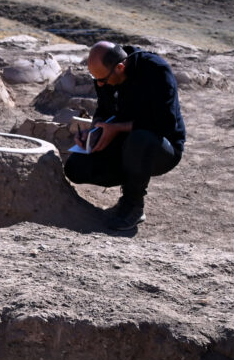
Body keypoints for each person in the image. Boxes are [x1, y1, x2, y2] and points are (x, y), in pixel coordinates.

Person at [63, 40, 185, 231]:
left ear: (120, 67)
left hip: (160, 148)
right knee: (75, 167)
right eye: (96, 80)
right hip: (124, 145)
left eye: (102, 80)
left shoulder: (156, 71)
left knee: (140, 139)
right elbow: (103, 110)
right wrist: (95, 132)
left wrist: (117, 128)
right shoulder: (105, 76)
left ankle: (133, 205)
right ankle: (132, 174)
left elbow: (164, 124)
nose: (100, 84)